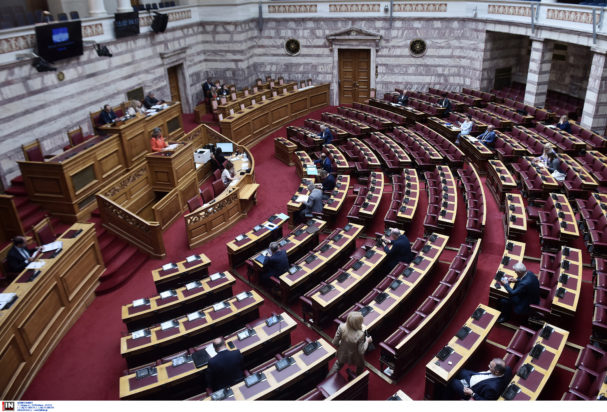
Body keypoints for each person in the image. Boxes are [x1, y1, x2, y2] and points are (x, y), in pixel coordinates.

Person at [446, 358, 512, 400]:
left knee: (450, 380)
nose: (488, 366)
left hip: (469, 388)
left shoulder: (492, 388)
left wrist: (472, 394)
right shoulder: (507, 369)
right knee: (459, 370)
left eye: (490, 366)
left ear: (497, 372)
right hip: (473, 376)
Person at [329, 311, 372, 376]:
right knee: (361, 366)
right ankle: (357, 379)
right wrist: (367, 341)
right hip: (355, 356)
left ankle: (328, 379)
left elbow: (335, 342)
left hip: (343, 352)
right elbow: (361, 351)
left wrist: (344, 344)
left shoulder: (341, 327)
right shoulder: (360, 334)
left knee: (338, 364)